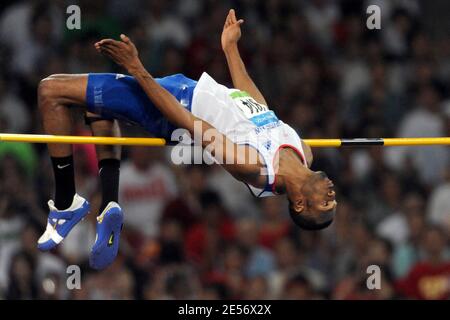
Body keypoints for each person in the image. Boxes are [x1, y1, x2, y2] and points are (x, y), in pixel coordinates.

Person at [36, 9, 337, 270]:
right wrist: (231, 50)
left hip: (170, 107)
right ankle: (109, 203)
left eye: (325, 205)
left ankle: (65, 204)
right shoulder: (304, 152)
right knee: (97, 108)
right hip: (182, 89)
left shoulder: (253, 166)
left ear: (299, 204)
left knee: (51, 91)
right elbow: (256, 106)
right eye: (332, 201)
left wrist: (137, 69)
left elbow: (186, 121)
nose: (332, 196)